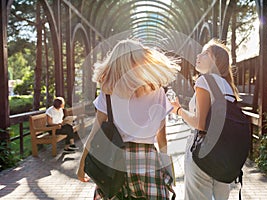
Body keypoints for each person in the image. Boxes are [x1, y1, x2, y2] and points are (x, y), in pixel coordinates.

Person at [77, 39, 180, 199]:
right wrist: (168, 168)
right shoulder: (157, 90)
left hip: (115, 161)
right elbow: (162, 138)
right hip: (148, 161)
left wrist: (83, 162)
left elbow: (96, 132)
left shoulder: (108, 93)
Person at [170, 39, 240, 200]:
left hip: (202, 152)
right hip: (225, 154)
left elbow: (200, 124)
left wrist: (179, 110)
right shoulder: (228, 86)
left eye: (205, 53)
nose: (198, 55)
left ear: (215, 62)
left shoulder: (205, 80)